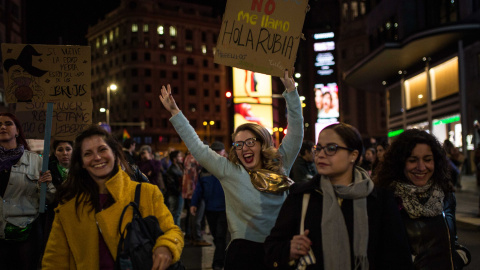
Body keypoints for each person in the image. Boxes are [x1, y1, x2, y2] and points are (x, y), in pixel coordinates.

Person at [159, 70, 303, 269]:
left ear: (262, 144)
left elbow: (296, 132)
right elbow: (198, 148)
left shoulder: (281, 163)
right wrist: (176, 113)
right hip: (244, 252)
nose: (244, 148)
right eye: (238, 144)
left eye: (250, 142)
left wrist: (291, 91)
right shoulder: (229, 171)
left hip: (281, 248)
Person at [264, 123, 413, 270]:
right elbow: (272, 247)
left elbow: (398, 259)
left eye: (331, 149)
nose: (321, 154)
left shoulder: (379, 200)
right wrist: (288, 250)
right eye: (319, 148)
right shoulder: (302, 195)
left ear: (353, 155)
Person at [41, 125, 183, 269]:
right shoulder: (69, 205)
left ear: (115, 154)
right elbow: (54, 262)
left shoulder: (146, 193)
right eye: (88, 153)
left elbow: (172, 231)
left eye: (102, 149)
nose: (97, 157)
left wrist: (166, 246)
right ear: (82, 163)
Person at [375, 129, 471, 269]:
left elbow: (452, 242)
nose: (421, 167)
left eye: (427, 159)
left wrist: (459, 258)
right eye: (413, 160)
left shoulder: (445, 195)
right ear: (400, 162)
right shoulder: (387, 198)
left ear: (436, 161)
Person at [0, 112, 53, 270]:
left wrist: (45, 185)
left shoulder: (37, 161)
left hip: (26, 235)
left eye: (8, 123)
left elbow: (50, 198)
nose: (2, 127)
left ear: (17, 131)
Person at [190, 141, 229, 270]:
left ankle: (218, 263)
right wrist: (194, 203)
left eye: (219, 153)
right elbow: (199, 188)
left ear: (224, 154)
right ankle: (222, 258)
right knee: (216, 236)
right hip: (210, 209)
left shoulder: (229, 167)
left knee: (220, 236)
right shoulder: (205, 169)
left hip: (225, 209)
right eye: (215, 153)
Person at [44, 140, 73, 242]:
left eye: (68, 149)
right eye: (60, 150)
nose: (65, 153)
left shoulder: (81, 171)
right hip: (54, 216)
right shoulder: (47, 170)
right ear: (55, 153)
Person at [182, 149, 210, 246]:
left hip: (187, 190)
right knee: (197, 216)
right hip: (194, 190)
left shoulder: (187, 157)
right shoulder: (197, 159)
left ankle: (192, 237)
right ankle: (197, 238)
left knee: (191, 215)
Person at [165, 150, 185, 227]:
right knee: (175, 214)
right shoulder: (172, 170)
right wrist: (179, 192)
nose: (181, 158)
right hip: (175, 195)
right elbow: (171, 184)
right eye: (179, 156)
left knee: (177, 213)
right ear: (174, 159)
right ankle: (175, 233)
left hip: (178, 194)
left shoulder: (179, 167)